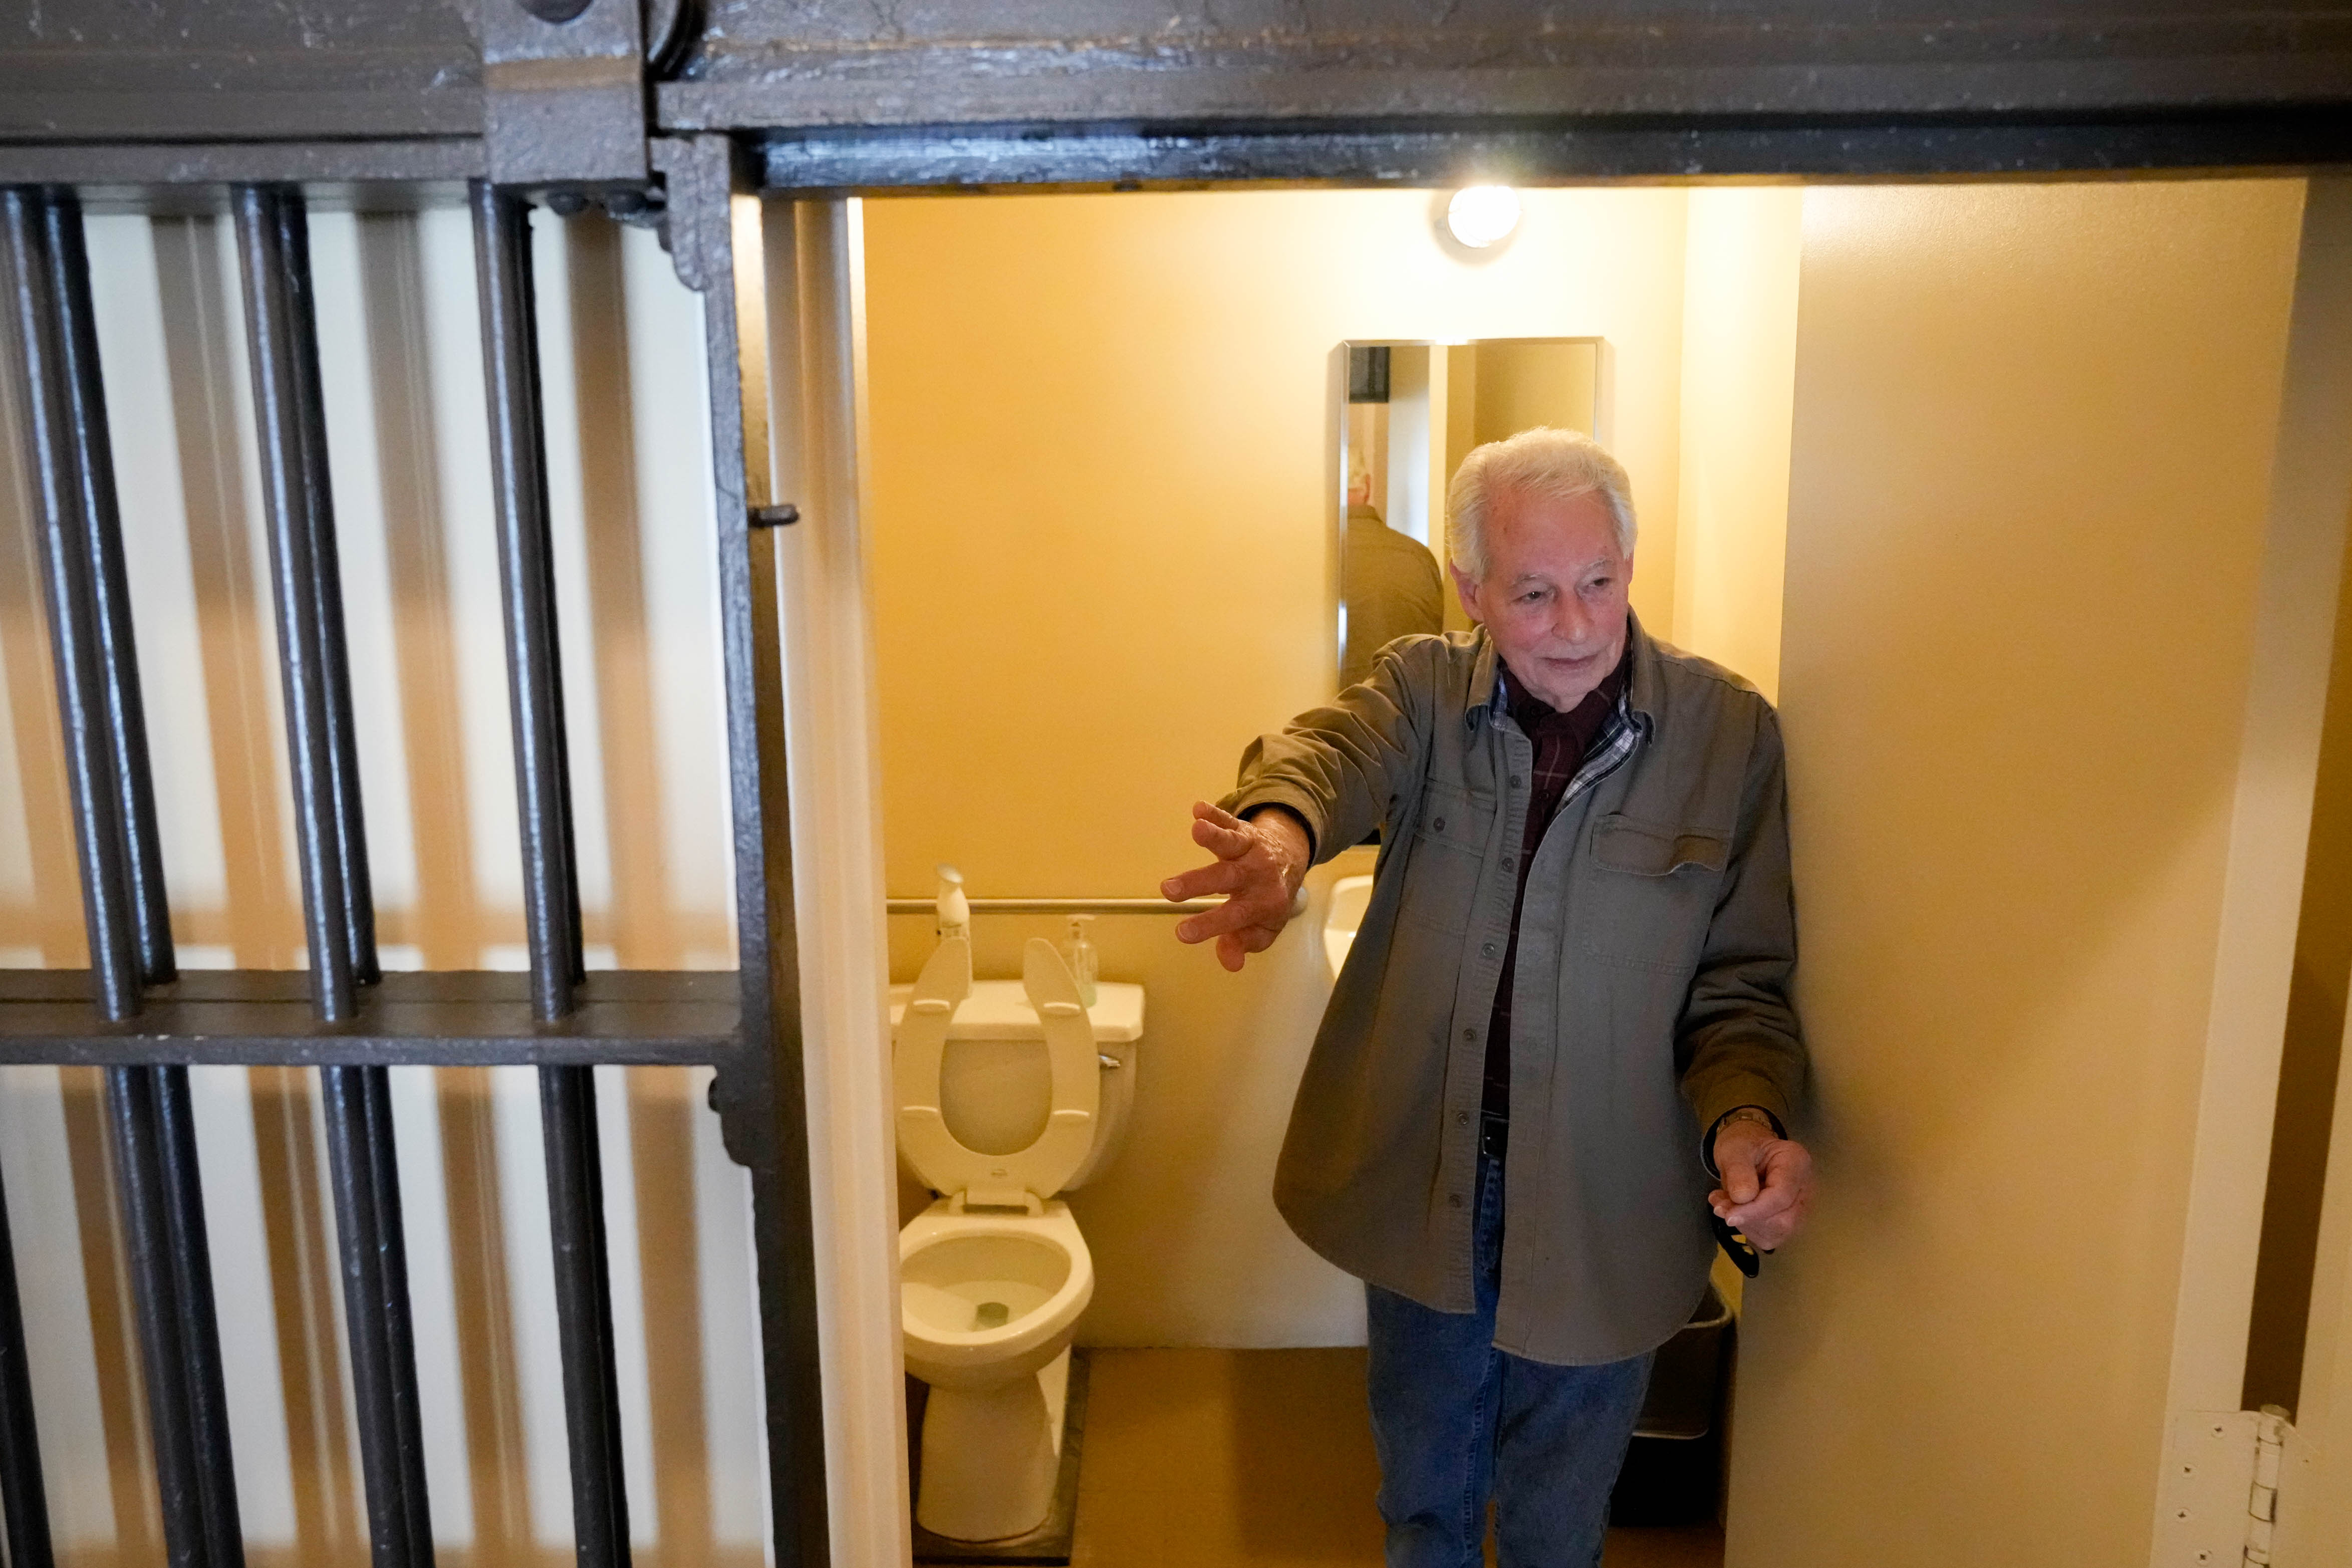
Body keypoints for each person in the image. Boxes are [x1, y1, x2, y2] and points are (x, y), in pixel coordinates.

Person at [1162, 426, 1814, 1567]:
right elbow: (1329, 756)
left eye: (1597, 584)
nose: (1572, 627)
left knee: (1560, 1527)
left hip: (1609, 1203)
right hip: (1430, 1181)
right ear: (1467, 587)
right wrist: (1277, 838)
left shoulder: (1727, 738)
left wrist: (1746, 1120)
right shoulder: (1418, 690)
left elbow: (1739, 983)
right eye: (1529, 593)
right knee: (1425, 1502)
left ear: (1626, 560)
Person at [1340, 462, 1444, 688]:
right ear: (1367, 486)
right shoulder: (1419, 556)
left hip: (1329, 716)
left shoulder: (1310, 560)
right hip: (1408, 714)